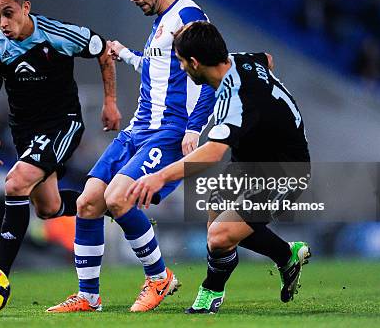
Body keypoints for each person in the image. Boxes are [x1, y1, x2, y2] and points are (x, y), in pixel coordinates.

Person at [47, 0, 215, 313]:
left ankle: (159, 277)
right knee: (88, 200)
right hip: (138, 129)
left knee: (119, 197)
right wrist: (125, 55)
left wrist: (195, 127)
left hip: (169, 130)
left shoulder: (187, 15)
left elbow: (211, 75)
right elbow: (159, 73)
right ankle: (89, 297)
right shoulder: (160, 24)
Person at [128, 21, 312, 314]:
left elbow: (213, 153)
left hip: (285, 171)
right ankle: (286, 256)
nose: (181, 68)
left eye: (181, 61)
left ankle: (210, 293)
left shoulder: (236, 97)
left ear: (195, 62)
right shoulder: (240, 60)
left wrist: (157, 178)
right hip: (250, 162)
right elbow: (267, 58)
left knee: (219, 236)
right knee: (216, 222)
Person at [0, 0, 121, 276]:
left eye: (8, 13)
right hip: (24, 131)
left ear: (25, 7)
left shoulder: (57, 34)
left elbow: (104, 49)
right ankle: (116, 201)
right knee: (48, 208)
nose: (2, 22)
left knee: (15, 183)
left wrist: (110, 102)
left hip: (61, 123)